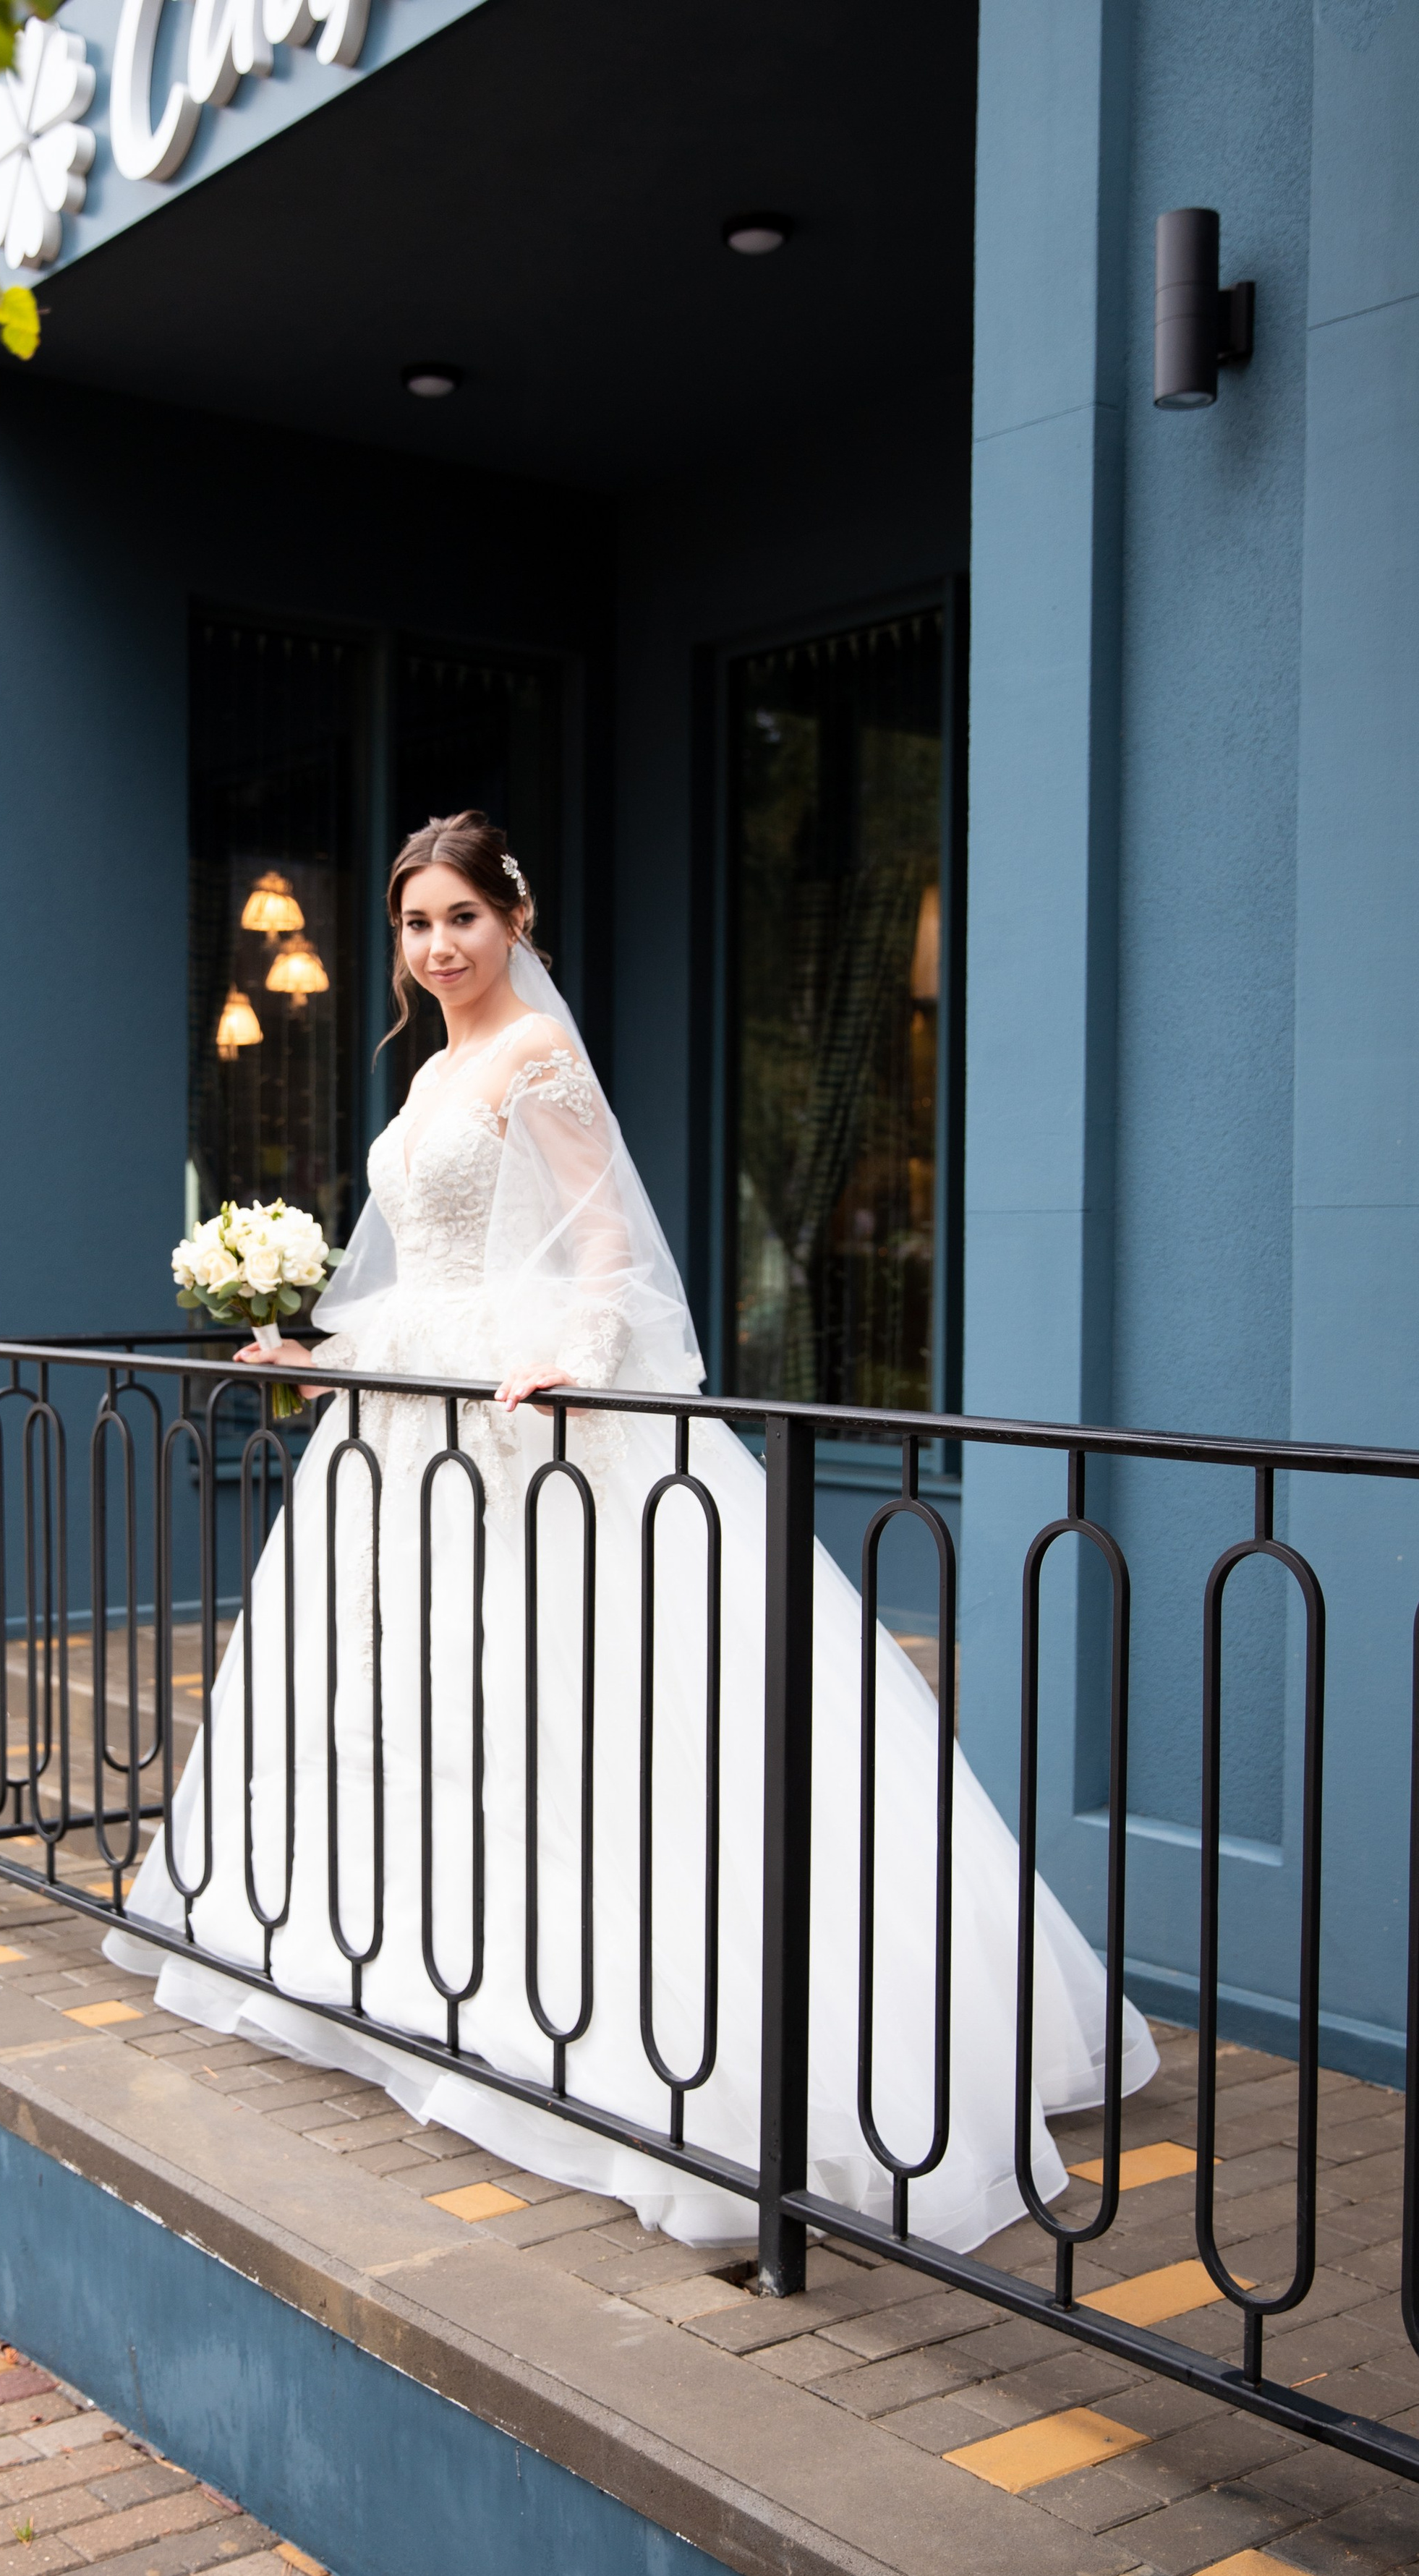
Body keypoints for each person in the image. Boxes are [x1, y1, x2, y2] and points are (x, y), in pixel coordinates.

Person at [105, 811, 1155, 2248]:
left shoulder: (537, 1060)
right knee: (416, 1706)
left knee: (591, 1716)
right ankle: (420, 1974)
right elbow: (413, 1282)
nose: (436, 946)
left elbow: (605, 1248)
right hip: (411, 1425)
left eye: (459, 918)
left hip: (528, 1414)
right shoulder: (426, 1072)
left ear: (513, 922)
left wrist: (575, 1362)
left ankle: (683, 2052)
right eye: (414, 924)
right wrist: (310, 1352)